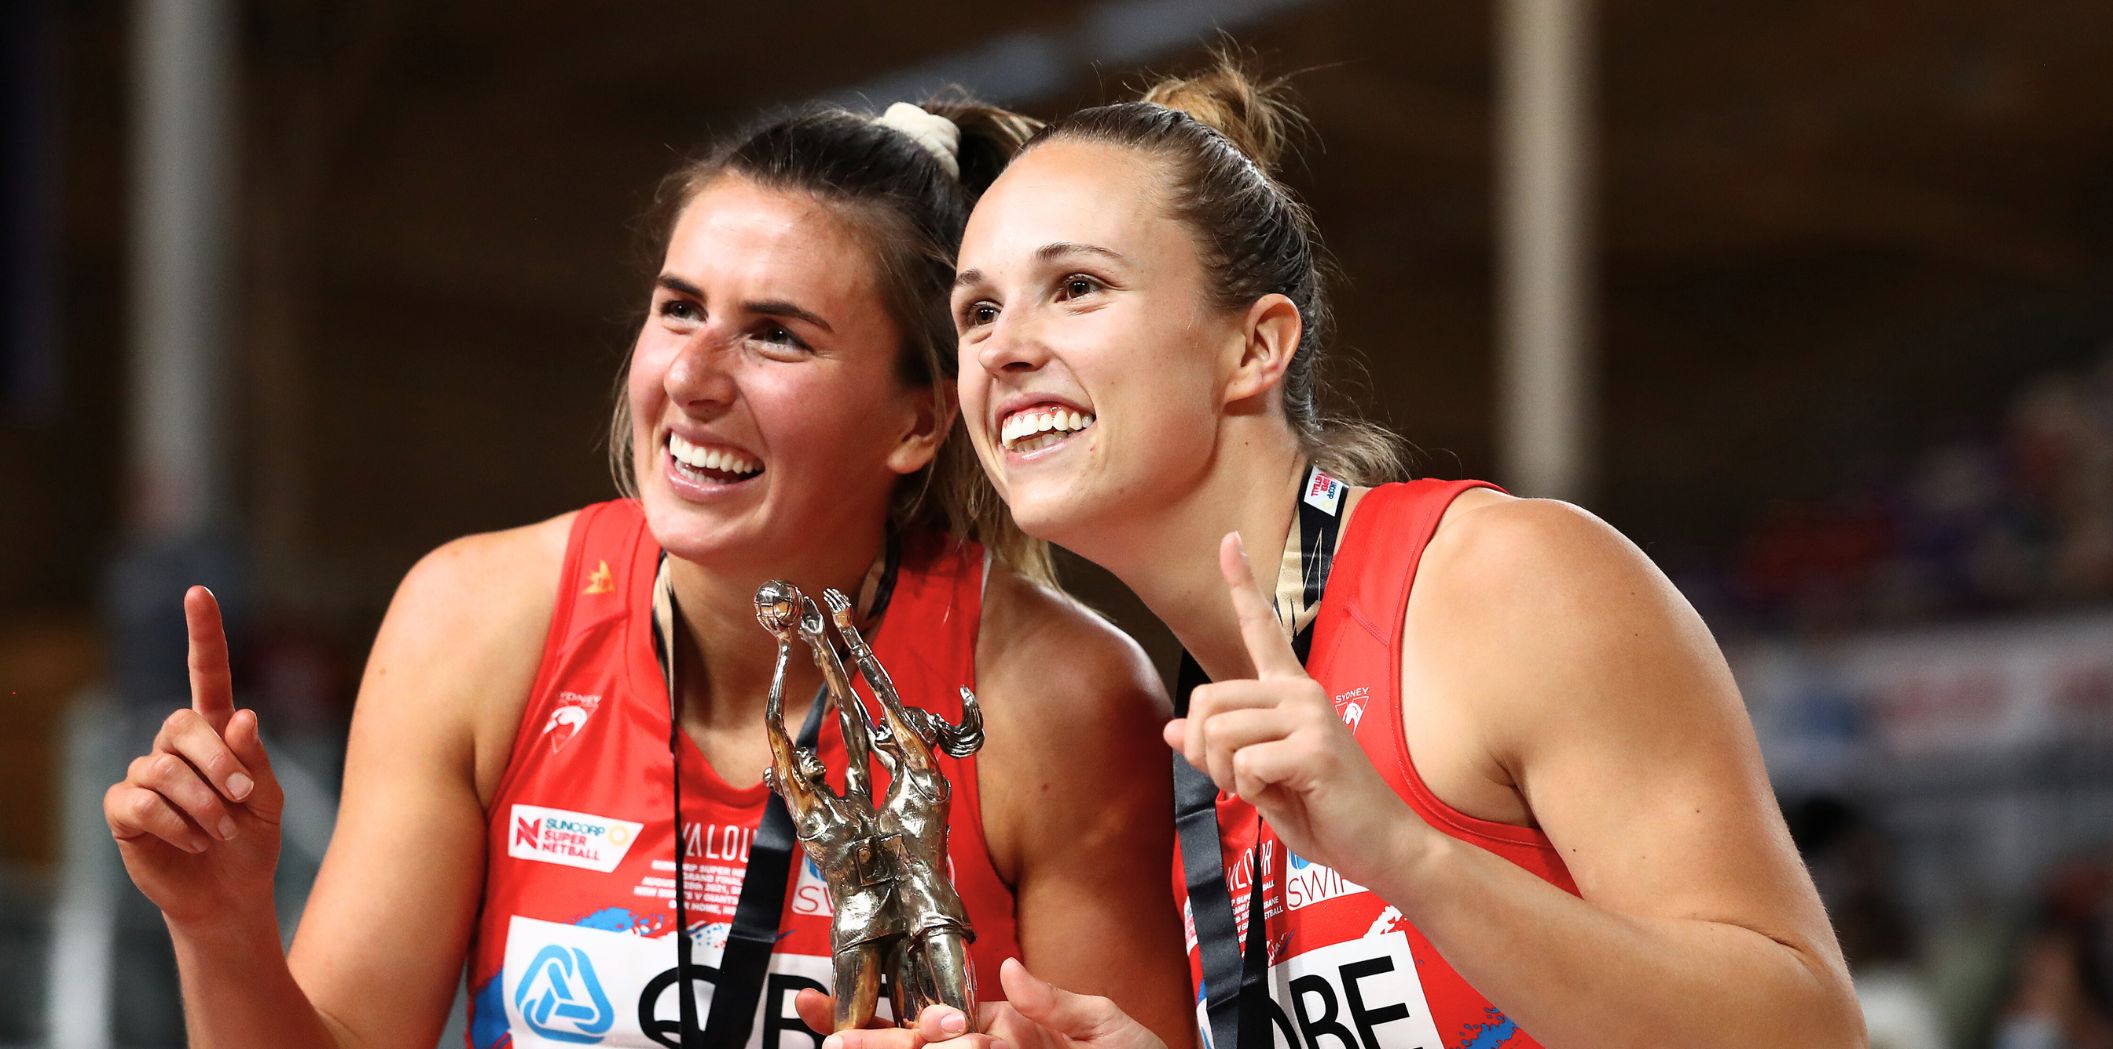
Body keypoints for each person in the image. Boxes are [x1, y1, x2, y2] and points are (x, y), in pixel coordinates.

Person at [102, 95, 1194, 1049]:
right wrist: (223, 927)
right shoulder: (480, 621)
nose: (691, 376)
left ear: (920, 416)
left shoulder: (1055, 696)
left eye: (775, 335)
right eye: (680, 308)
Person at [821, 54, 1867, 1049]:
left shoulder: (1504, 581)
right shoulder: (1197, 721)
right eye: (980, 310)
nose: (1003, 346)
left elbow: (1811, 1030)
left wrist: (1407, 855)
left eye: (1079, 286)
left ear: (1253, 347)